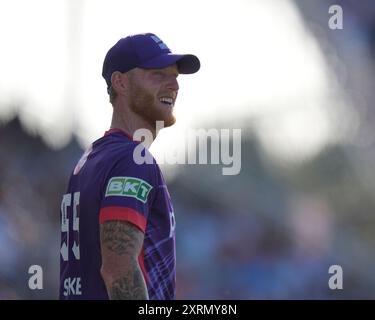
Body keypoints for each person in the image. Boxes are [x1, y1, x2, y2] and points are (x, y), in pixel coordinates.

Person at [59, 33, 200, 300]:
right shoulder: (133, 159)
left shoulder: (90, 159)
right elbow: (118, 270)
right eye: (158, 74)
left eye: (175, 76)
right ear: (120, 82)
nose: (174, 85)